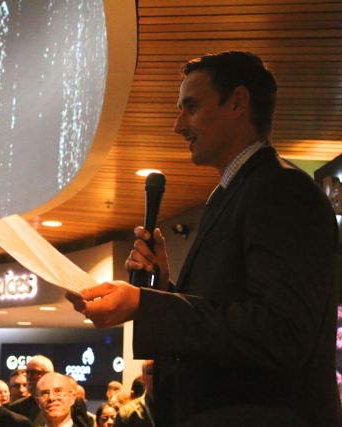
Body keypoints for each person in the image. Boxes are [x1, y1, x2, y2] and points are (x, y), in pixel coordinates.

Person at [70, 51, 340, 426]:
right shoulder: (234, 194)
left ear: (238, 102)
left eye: (191, 107)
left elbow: (282, 331)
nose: (178, 125)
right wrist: (163, 287)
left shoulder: (281, 189)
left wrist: (146, 305)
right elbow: (231, 311)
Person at [8, 355, 53, 426]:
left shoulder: (63, 405)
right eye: (27, 372)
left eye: (34, 372)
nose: (29, 376)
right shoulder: (15, 409)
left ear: (49, 375)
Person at [114, 361, 153, 427]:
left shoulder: (172, 409)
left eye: (159, 372)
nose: (154, 377)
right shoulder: (127, 413)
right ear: (143, 378)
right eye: (150, 373)